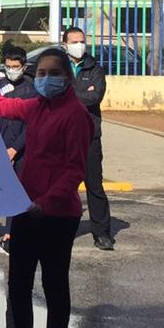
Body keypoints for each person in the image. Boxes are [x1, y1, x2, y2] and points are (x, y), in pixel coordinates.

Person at [0, 47, 94, 328]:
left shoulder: (76, 115)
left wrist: (46, 201)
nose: (46, 79)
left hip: (57, 214)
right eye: (41, 73)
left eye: (53, 73)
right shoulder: (37, 106)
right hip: (26, 209)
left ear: (67, 77)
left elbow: (74, 170)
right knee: (19, 282)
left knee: (54, 286)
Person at [0, 43, 36, 255]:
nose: (12, 70)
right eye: (8, 66)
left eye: (15, 66)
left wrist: (14, 149)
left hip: (19, 151)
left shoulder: (32, 91)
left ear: (24, 67)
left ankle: (9, 235)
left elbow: (32, 125)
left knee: (15, 193)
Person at [62, 27, 114, 250]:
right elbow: (51, 93)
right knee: (61, 187)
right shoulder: (57, 68)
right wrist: (81, 93)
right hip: (62, 137)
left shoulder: (95, 69)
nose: (79, 45)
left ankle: (102, 233)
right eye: (74, 42)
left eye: (82, 41)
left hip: (89, 136)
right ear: (64, 45)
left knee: (94, 186)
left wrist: (67, 94)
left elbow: (95, 96)